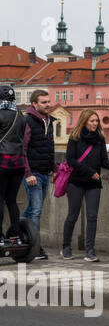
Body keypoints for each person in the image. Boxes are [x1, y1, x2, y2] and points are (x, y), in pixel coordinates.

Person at [61, 109, 109, 260]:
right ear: (84, 121)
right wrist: (89, 171)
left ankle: (90, 250)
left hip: (93, 183)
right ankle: (66, 247)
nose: (95, 123)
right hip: (76, 181)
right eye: (92, 121)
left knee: (92, 216)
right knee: (72, 215)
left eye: (96, 121)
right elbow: (71, 160)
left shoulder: (100, 138)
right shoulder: (75, 136)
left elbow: (103, 161)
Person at [20, 89, 55, 260]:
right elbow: (23, 149)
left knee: (34, 210)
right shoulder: (28, 121)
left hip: (44, 172)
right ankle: (35, 248)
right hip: (32, 173)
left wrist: (54, 168)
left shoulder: (48, 121)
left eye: (49, 102)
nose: (48, 105)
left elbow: (49, 148)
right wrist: (27, 173)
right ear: (34, 104)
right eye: (44, 102)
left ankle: (18, 229)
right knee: (36, 211)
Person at [0, 85, 29, 243]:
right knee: (11, 199)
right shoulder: (20, 115)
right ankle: (16, 235)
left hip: (2, 160)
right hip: (18, 162)